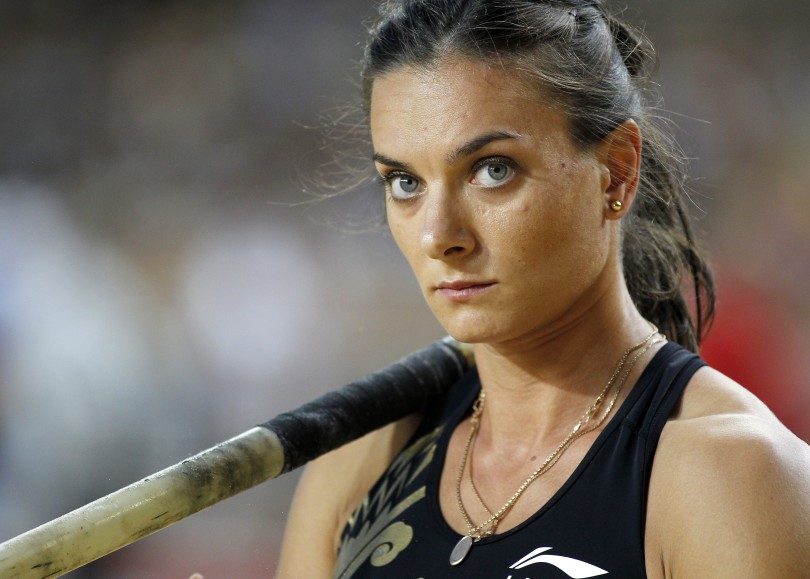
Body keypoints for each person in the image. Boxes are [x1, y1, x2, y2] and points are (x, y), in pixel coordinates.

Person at [277, 1, 810, 577]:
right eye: (405, 182)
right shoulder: (360, 461)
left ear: (617, 171)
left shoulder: (733, 477)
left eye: (493, 170)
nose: (438, 236)